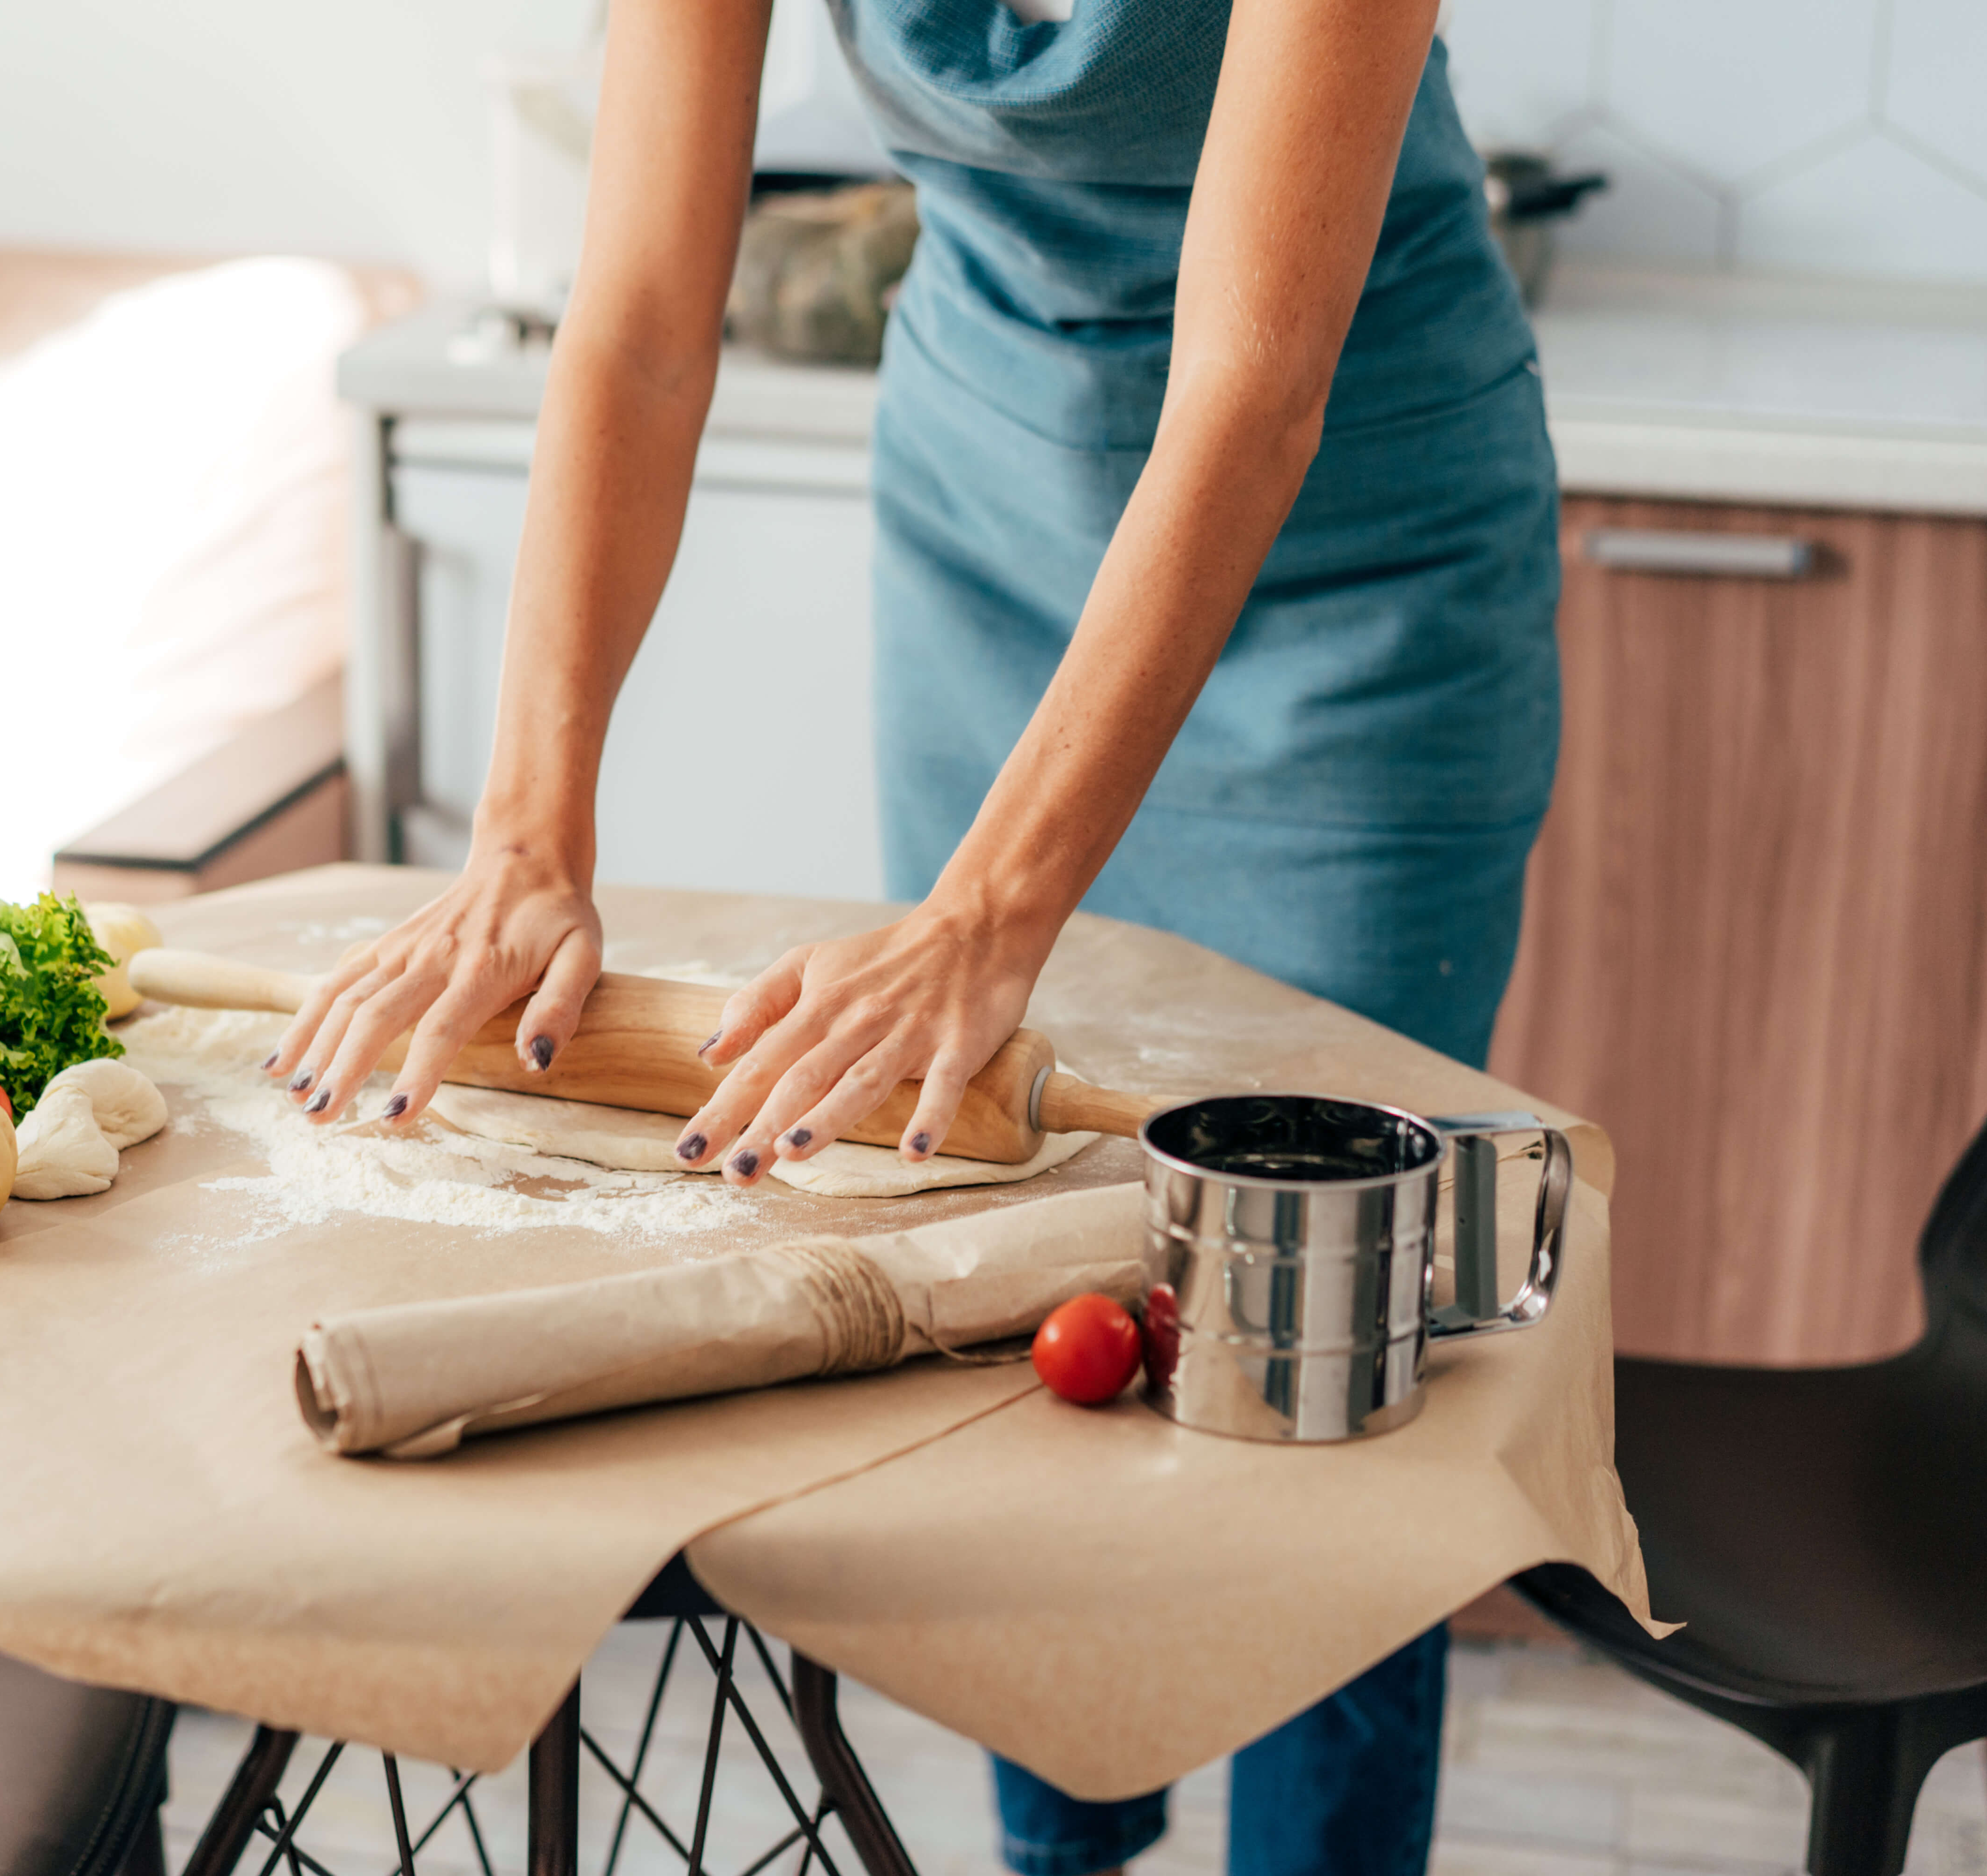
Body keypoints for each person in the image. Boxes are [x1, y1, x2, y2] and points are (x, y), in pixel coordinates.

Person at [266, 0, 1555, 1868]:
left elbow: (1255, 383)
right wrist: (526, 834)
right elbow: (631, 330)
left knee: (1322, 1338)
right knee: (1009, 1249)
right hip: (997, 515)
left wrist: (987, 904)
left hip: (1359, 548)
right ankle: (1061, 1844)